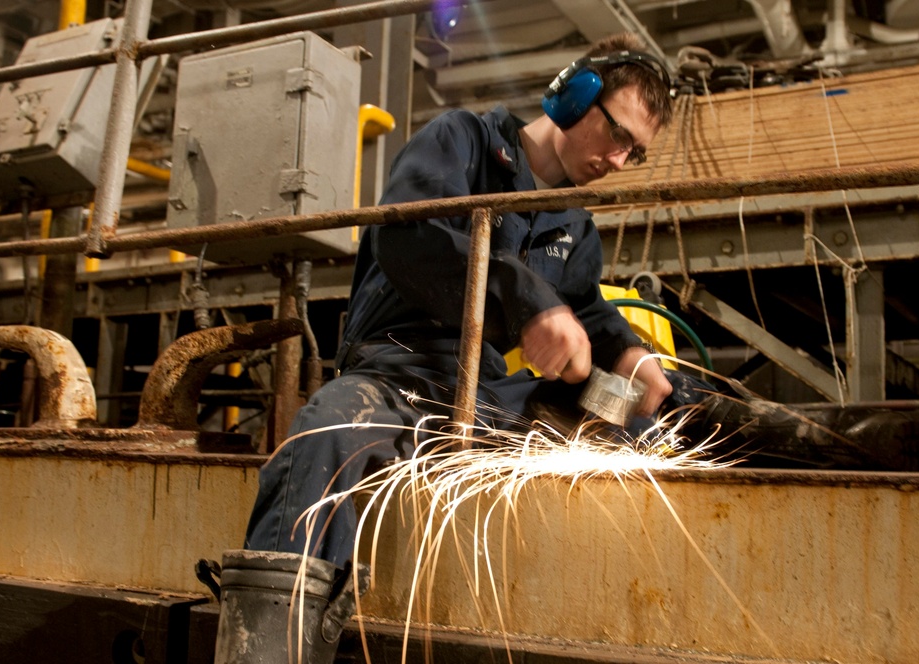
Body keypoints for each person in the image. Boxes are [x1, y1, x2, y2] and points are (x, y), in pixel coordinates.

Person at [243, 32, 695, 567]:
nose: (619, 161)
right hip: (399, 372)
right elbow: (407, 236)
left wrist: (629, 354)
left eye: (634, 152)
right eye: (618, 134)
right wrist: (523, 294)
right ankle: (273, 626)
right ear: (572, 96)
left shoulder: (575, 221)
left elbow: (584, 306)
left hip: (486, 389)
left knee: (639, 429)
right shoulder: (462, 140)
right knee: (331, 430)